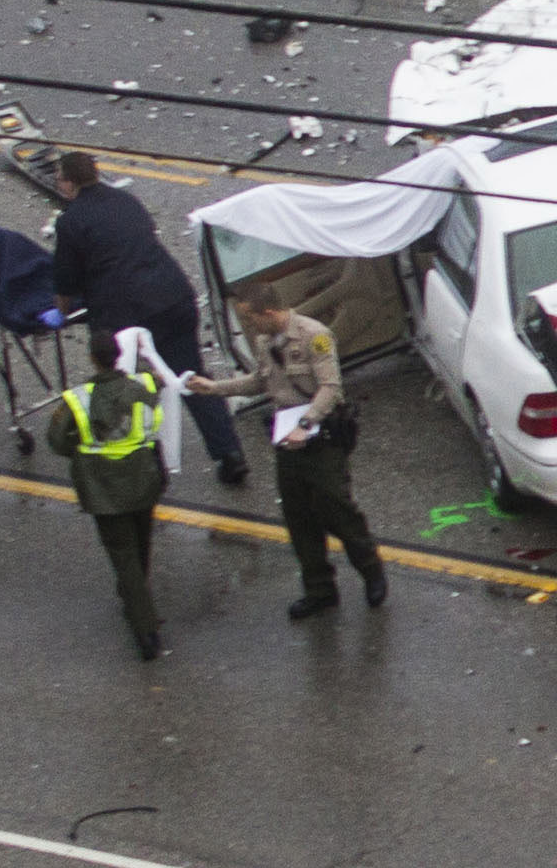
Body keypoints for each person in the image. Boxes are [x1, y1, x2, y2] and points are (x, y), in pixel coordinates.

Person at [44, 150, 245, 487]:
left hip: (126, 316)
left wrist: (61, 312)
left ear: (68, 182)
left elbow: (66, 280)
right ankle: (229, 454)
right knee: (190, 375)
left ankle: (147, 465)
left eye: (59, 177)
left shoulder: (71, 221)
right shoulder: (126, 200)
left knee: (127, 391)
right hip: (171, 296)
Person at [201, 279, 383, 622]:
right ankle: (319, 589)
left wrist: (307, 424)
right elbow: (260, 380)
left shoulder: (314, 335)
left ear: (269, 312)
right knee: (298, 518)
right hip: (288, 441)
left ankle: (371, 570)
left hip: (321, 439)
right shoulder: (265, 341)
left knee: (338, 510)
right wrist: (214, 389)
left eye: (253, 318)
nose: (251, 325)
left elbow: (330, 388)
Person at [47, 331, 172, 660]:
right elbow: (158, 388)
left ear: (92, 358)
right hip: (143, 479)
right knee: (141, 543)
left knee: (123, 556)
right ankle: (135, 596)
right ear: (119, 355)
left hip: (103, 488)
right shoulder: (143, 387)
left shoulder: (78, 399)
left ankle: (146, 630)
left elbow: (58, 441)